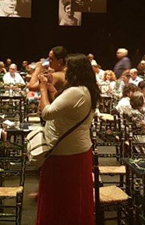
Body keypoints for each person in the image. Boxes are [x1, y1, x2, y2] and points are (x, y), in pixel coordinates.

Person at [36, 53, 98, 224]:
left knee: (60, 199)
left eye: (68, 67)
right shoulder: (87, 90)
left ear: (75, 70)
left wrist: (42, 89)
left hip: (64, 154)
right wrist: (51, 89)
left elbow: (47, 113)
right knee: (74, 199)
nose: (65, 70)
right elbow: (66, 108)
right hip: (78, 151)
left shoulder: (74, 91)